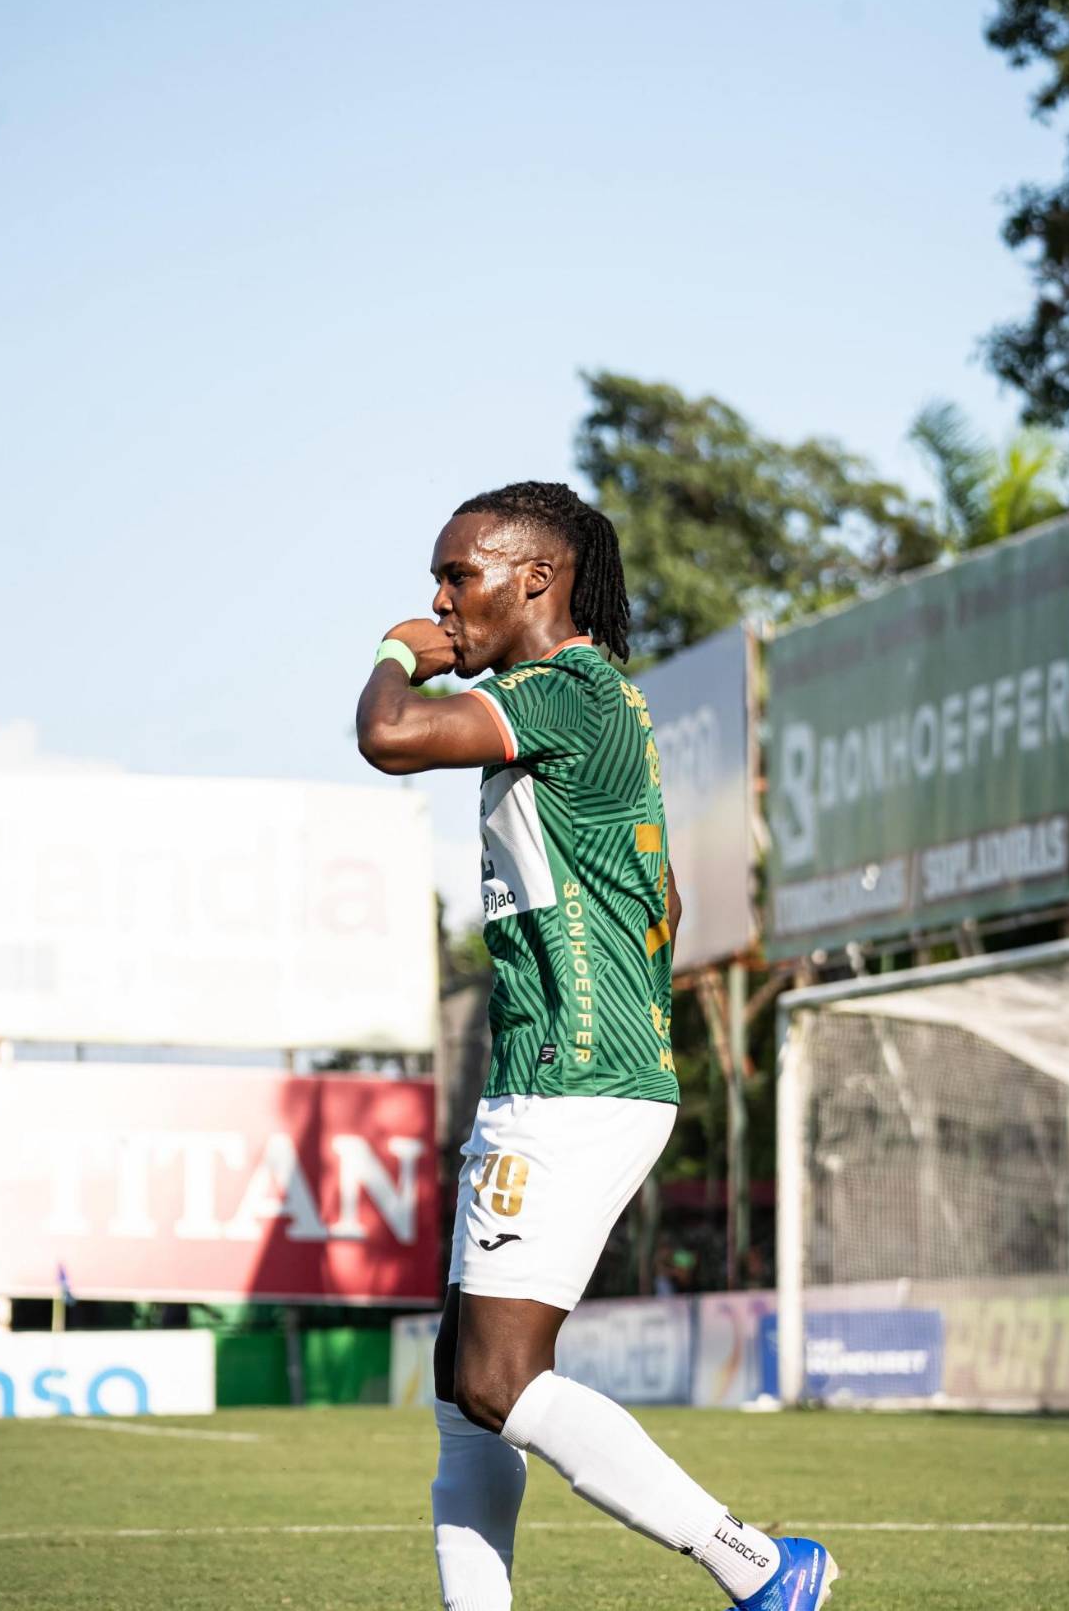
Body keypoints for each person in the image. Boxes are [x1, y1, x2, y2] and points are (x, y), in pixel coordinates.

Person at [356, 481, 838, 1611]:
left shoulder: (567, 690)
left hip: (573, 1083)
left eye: (456, 575)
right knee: (461, 1391)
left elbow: (387, 735)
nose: (439, 600)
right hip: (558, 1076)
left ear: (536, 577)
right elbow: (662, 894)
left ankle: (760, 1567)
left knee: (497, 1379)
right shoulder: (584, 706)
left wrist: (397, 652)